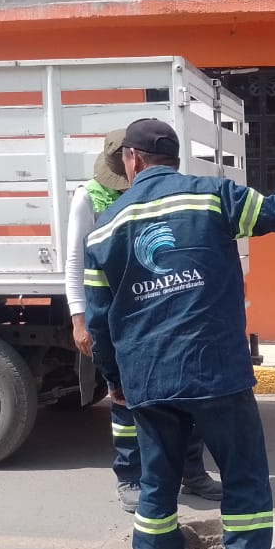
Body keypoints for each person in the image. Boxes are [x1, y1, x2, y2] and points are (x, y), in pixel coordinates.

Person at [84, 118, 275, 549]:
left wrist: (115, 381)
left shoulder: (104, 228)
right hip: (215, 370)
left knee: (156, 487)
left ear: (132, 160)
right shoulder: (212, 196)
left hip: (147, 378)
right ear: (172, 157)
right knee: (245, 480)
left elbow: (99, 320)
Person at [65, 128, 222, 512]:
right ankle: (130, 476)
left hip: (164, 307)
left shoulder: (163, 190)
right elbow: (75, 261)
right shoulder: (91, 197)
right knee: (124, 400)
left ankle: (191, 471)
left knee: (186, 395)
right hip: (120, 314)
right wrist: (79, 320)